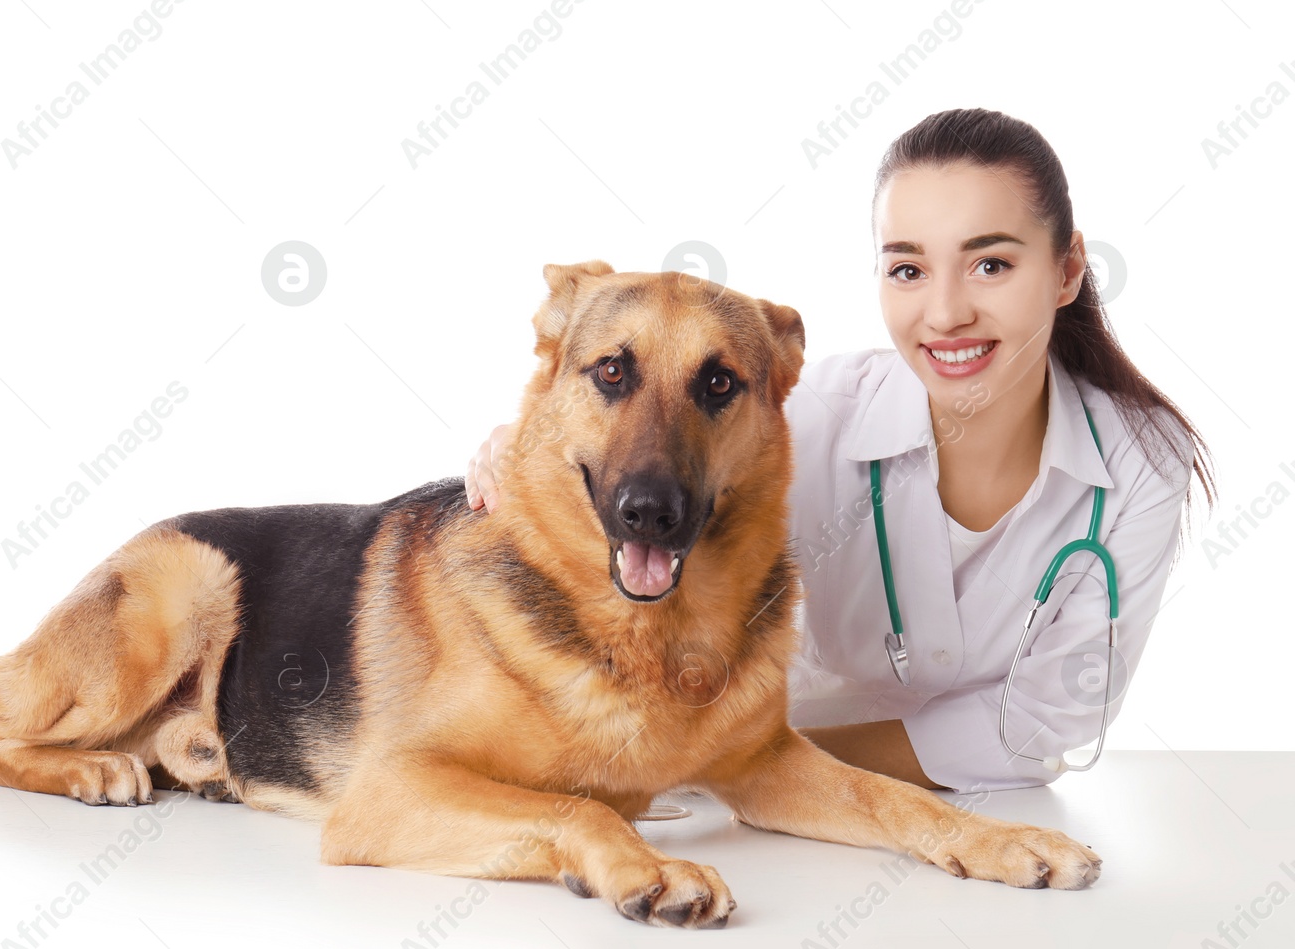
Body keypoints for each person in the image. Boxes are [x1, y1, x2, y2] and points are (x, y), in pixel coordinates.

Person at [463, 108, 1217, 794]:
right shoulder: (798, 419)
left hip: (915, 808)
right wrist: (516, 450)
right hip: (731, 819)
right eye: (908, 269)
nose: (947, 312)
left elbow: (1047, 723)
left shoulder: (1144, 460)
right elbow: (616, 464)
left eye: (991, 264)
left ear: (1067, 270)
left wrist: (761, 763)